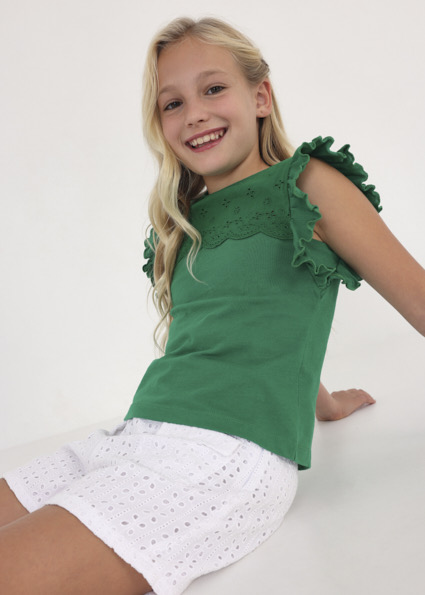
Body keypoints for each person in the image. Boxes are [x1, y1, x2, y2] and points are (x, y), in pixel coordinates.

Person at [1, 15, 424, 595]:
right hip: (132, 436)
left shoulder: (306, 185)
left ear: (260, 96)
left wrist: (316, 407)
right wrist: (323, 403)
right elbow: (252, 330)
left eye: (214, 88)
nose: (194, 113)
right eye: (172, 103)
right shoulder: (183, 224)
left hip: (219, 459)